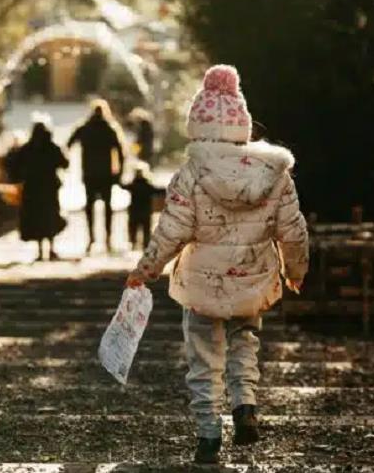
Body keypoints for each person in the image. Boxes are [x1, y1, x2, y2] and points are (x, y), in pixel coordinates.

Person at [126, 65, 309, 464]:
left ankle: (208, 435)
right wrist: (296, 271)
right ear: (242, 125)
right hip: (253, 278)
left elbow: (172, 230)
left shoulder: (191, 173)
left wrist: (146, 270)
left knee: (203, 356)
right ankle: (245, 405)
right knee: (245, 340)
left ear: (197, 126)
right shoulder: (273, 172)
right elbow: (293, 230)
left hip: (203, 286)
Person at [68, 100, 125, 253]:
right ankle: (107, 239)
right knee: (107, 207)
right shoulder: (110, 128)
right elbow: (120, 152)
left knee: (89, 207)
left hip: (89, 173)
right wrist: (119, 172)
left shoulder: (84, 128)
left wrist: (66, 164)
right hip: (106, 174)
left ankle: (91, 238)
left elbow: (69, 143)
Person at [15, 119, 69, 261]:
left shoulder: (28, 148)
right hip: (49, 188)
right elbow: (65, 163)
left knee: (37, 218)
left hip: (32, 189)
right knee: (50, 217)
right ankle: (51, 249)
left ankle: (40, 251)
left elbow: (15, 163)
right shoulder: (52, 147)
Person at [120, 163, 162, 250]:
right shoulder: (148, 186)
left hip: (134, 212)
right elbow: (159, 191)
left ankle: (133, 242)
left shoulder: (132, 185)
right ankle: (145, 244)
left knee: (133, 228)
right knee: (146, 229)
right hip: (145, 212)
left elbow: (122, 186)